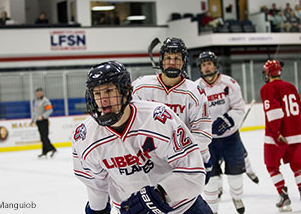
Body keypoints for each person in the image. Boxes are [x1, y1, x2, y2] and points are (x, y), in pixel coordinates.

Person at [72, 61, 213, 214]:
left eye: (108, 92)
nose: (103, 100)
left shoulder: (158, 119)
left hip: (184, 209)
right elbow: (96, 184)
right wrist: (97, 211)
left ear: (125, 91)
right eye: (97, 94)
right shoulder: (85, 137)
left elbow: (194, 174)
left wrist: (157, 195)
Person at [132, 37, 212, 181]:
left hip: (181, 163)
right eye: (168, 58)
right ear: (161, 60)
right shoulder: (141, 87)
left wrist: (197, 157)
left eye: (177, 58)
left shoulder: (195, 92)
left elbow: (202, 133)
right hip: (146, 163)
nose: (172, 62)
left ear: (184, 62)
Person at [195, 51, 255, 214]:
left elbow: (239, 107)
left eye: (209, 64)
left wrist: (228, 120)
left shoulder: (230, 83)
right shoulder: (195, 88)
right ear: (200, 68)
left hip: (230, 138)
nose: (207, 67)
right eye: (203, 64)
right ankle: (213, 211)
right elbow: (193, 114)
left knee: (236, 176)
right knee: (211, 181)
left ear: (215, 65)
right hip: (208, 143)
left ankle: (236, 197)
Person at [260, 60, 301, 212]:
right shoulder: (291, 86)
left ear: (268, 73)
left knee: (271, 165)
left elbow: (274, 112)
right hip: (297, 134)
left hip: (277, 136)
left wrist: (277, 133)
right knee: (298, 167)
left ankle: (283, 194)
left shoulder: (267, 88)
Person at [31, 87, 56, 158]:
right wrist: (33, 120)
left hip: (44, 121)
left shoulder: (45, 101)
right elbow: (35, 112)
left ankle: (52, 149)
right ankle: (44, 152)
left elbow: (50, 110)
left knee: (44, 136)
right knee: (42, 137)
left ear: (42, 93)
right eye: (37, 93)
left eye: (40, 92)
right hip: (38, 121)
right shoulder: (36, 101)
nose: (38, 94)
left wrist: (43, 116)